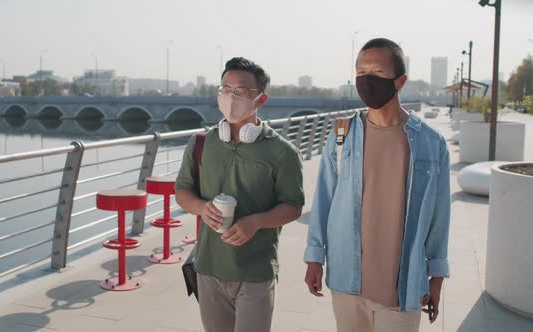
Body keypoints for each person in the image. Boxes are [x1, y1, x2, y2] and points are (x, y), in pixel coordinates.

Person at [304, 38, 451, 332]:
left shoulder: (431, 143)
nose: (367, 80)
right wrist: (314, 258)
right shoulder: (341, 134)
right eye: (360, 73)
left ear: (400, 81)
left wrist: (436, 276)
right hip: (347, 282)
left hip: (404, 287)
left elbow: (439, 213)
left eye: (377, 72)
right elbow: (324, 200)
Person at [175, 57, 305, 332]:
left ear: (261, 99)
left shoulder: (283, 153)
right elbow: (183, 191)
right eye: (225, 89)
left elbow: (293, 206)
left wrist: (256, 221)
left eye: (241, 92)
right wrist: (201, 207)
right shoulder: (201, 143)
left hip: (255, 271)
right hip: (208, 267)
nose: (230, 97)